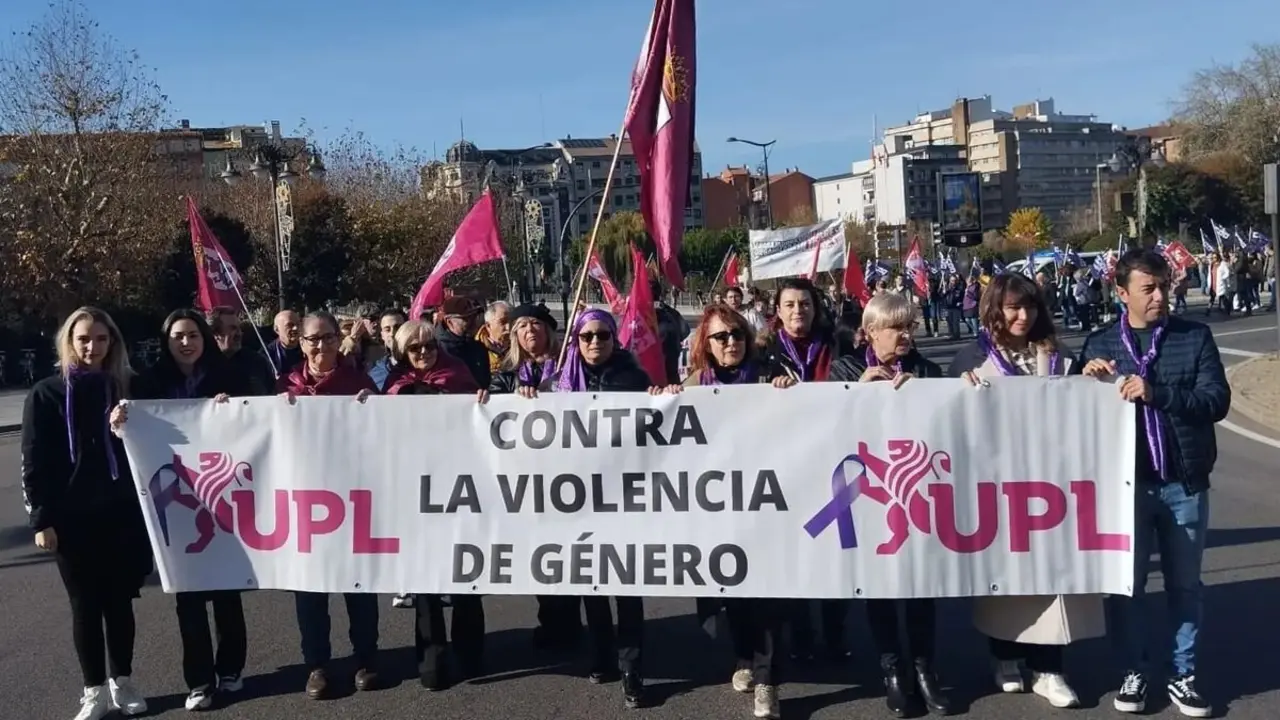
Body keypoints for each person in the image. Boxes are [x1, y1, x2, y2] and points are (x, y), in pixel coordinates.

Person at [1078, 249, 1229, 719]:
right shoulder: (1101, 343)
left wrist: (1157, 393)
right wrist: (1085, 380)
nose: (1160, 296)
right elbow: (1077, 419)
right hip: (1125, 490)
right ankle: (1133, 670)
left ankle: (1183, 673)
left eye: (1164, 285)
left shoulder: (1194, 336)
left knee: (1185, 586)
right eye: (1149, 288)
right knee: (1128, 586)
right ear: (1121, 293)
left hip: (1184, 483)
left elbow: (1216, 401)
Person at [948, 274, 1103, 709]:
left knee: (1052, 576)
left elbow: (1085, 409)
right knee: (1007, 578)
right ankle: (1005, 656)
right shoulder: (971, 359)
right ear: (995, 309)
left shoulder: (1058, 355)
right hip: (998, 487)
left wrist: (1093, 378)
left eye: (1030, 306)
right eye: (1013, 307)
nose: (1023, 315)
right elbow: (952, 424)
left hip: (1054, 486)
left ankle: (1050, 669)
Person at [21, 307, 151, 720]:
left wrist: (130, 424)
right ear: (69, 342)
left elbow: (166, 429)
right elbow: (34, 460)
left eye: (101, 339)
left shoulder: (127, 388)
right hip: (71, 519)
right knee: (85, 606)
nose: (92, 347)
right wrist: (42, 520)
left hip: (121, 515)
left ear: (112, 342)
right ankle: (93, 690)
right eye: (83, 339)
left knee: (119, 603)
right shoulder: (46, 393)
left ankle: (122, 682)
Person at [827, 292, 952, 717]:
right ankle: (893, 669)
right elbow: (826, 427)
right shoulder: (845, 370)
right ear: (870, 332)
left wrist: (925, 395)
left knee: (920, 588)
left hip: (916, 494)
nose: (905, 335)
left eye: (910, 326)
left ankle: (925, 668)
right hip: (870, 494)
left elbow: (948, 423)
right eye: (896, 327)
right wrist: (858, 394)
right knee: (879, 588)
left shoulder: (926, 370)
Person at [657, 304, 783, 719]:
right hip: (715, 514)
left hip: (764, 507)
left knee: (763, 598)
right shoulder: (693, 386)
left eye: (737, 334)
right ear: (706, 345)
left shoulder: (768, 378)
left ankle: (767, 680)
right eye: (721, 337)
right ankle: (745, 657)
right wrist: (661, 402)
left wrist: (790, 392)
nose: (731, 342)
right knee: (731, 599)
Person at [119, 310, 249, 711]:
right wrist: (121, 419)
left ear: (204, 338)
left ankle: (231, 669)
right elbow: (134, 429)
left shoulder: (227, 376)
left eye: (193, 334)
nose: (186, 343)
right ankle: (199, 680)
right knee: (188, 596)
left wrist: (234, 409)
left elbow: (251, 420)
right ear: (167, 340)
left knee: (227, 591)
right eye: (178, 336)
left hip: (222, 493)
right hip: (175, 497)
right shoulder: (148, 383)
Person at [525, 308, 652, 708]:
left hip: (625, 498)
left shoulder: (635, 380)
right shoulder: (555, 385)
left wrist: (664, 395)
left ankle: (632, 667)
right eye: (586, 336)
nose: (595, 342)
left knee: (627, 589)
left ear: (614, 338)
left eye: (603, 335)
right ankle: (602, 655)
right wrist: (525, 399)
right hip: (578, 500)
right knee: (592, 587)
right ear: (576, 341)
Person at [278, 311, 382, 699]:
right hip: (305, 500)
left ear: (339, 340)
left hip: (353, 497)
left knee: (359, 583)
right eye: (312, 339)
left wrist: (375, 408)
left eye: (327, 337)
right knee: (310, 589)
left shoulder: (359, 382)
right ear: (300, 343)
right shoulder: (286, 385)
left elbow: (385, 435)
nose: (320, 345)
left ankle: (366, 658)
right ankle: (317, 665)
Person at [383, 320, 488, 690]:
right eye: (415, 348)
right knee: (424, 576)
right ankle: (432, 659)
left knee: (465, 571)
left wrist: (482, 402)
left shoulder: (457, 373)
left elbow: (480, 422)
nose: (424, 352)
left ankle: (471, 653)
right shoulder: (394, 385)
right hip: (413, 489)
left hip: (457, 484)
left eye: (429, 345)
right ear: (403, 352)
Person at [756, 278, 847, 666]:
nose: (798, 311)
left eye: (805, 304)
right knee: (796, 552)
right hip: (786, 465)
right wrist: (768, 387)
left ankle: (836, 634)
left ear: (816, 308)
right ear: (778, 311)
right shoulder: (763, 352)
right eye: (790, 304)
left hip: (833, 461)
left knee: (836, 553)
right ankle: (802, 634)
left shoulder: (838, 344)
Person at [484, 304, 582, 649]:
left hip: (570, 474)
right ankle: (551, 621)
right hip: (528, 479)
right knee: (543, 554)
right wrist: (507, 399)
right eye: (522, 326)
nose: (530, 331)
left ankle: (571, 623)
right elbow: (492, 414)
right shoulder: (508, 374)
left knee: (573, 551)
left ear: (549, 331)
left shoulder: (571, 368)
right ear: (515, 335)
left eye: (536, 324)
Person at [207, 307, 274, 395]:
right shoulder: (203, 365)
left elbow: (271, 394)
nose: (239, 333)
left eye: (239, 328)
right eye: (233, 328)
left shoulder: (256, 362)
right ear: (216, 334)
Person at [435, 297, 492, 388]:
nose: (473, 322)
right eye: (467, 318)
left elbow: (486, 383)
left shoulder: (478, 348)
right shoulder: (437, 350)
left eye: (474, 316)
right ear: (449, 322)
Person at [368, 309, 407, 394]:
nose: (392, 334)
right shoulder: (374, 374)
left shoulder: (423, 366)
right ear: (382, 335)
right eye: (387, 329)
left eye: (398, 327)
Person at [476, 301, 511, 375]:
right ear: (488, 326)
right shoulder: (475, 349)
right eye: (503, 322)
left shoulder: (520, 344)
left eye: (511, 321)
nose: (508, 327)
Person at [263, 309, 302, 376]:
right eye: (290, 325)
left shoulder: (308, 347)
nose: (296, 328)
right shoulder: (266, 355)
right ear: (277, 330)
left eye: (298, 324)